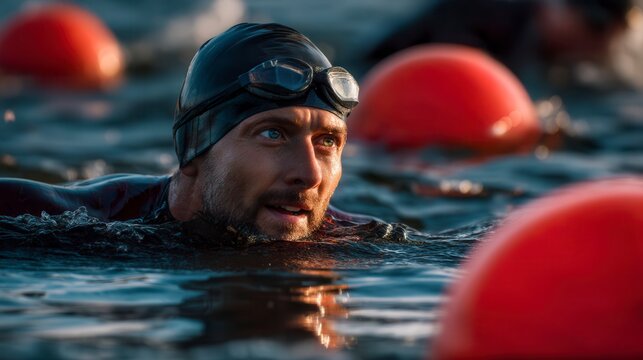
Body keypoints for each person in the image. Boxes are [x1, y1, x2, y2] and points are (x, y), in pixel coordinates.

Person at [0, 23, 362, 242]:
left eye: (327, 142)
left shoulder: (361, 239)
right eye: (273, 134)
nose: (310, 173)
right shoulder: (59, 223)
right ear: (194, 151)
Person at [368, 0, 634, 89]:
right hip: (383, 75)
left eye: (613, 34)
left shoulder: (563, 44)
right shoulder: (489, 16)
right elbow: (456, 81)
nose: (601, 45)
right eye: (594, 27)